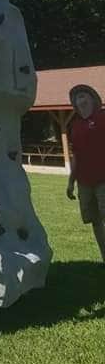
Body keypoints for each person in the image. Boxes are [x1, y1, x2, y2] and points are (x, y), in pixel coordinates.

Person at [66, 84, 105, 263]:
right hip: (84, 182)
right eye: (77, 98)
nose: (80, 100)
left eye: (83, 96)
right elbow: (76, 156)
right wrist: (70, 182)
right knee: (95, 221)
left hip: (103, 179)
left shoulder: (103, 117)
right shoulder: (74, 126)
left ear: (93, 99)